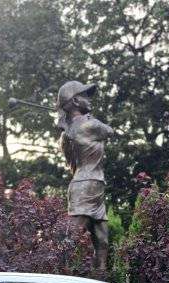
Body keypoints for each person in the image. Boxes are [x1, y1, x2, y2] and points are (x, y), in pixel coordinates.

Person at [57, 81, 114, 272]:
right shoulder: (91, 125)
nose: (89, 100)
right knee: (73, 235)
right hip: (86, 185)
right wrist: (86, 118)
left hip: (92, 184)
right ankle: (61, 272)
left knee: (102, 237)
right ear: (75, 101)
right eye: (85, 96)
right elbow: (109, 131)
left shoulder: (68, 133)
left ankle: (101, 277)